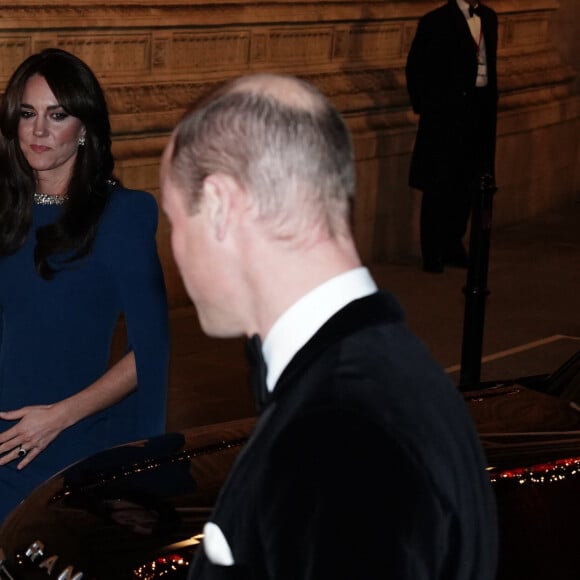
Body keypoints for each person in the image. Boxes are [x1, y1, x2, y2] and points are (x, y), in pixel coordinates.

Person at [160, 73, 498, 579]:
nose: (173, 250)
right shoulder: (387, 370)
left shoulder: (340, 433)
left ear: (222, 207)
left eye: (174, 221)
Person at [0, 48, 169, 522]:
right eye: (27, 114)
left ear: (85, 128)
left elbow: (151, 351)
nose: (38, 131)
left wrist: (56, 418)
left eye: (57, 115)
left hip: (65, 447)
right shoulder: (8, 213)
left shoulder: (123, 215)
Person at [406, 0, 499, 273]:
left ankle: (453, 244)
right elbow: (416, 68)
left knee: (469, 181)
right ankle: (431, 251)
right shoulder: (435, 21)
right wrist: (430, 107)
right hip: (446, 114)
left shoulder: (489, 18)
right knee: (438, 183)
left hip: (479, 110)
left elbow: (487, 62)